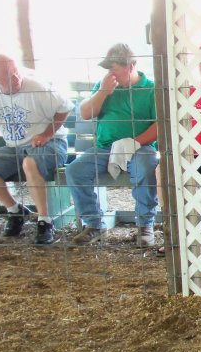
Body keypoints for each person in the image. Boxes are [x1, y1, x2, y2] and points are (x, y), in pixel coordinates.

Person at [65, 43, 159, 247]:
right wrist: (103, 92)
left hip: (139, 148)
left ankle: (145, 225)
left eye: (114, 67)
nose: (110, 72)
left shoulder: (150, 89)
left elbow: (160, 125)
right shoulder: (104, 86)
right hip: (104, 148)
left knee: (146, 167)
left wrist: (134, 142)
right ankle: (94, 224)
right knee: (74, 170)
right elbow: (86, 113)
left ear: (130, 66)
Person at [0, 54, 73, 245]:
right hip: (14, 147)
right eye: (10, 76)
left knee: (30, 162)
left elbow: (64, 108)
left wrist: (46, 134)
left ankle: (45, 220)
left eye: (16, 72)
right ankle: (14, 210)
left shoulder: (37, 86)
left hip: (50, 144)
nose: (17, 78)